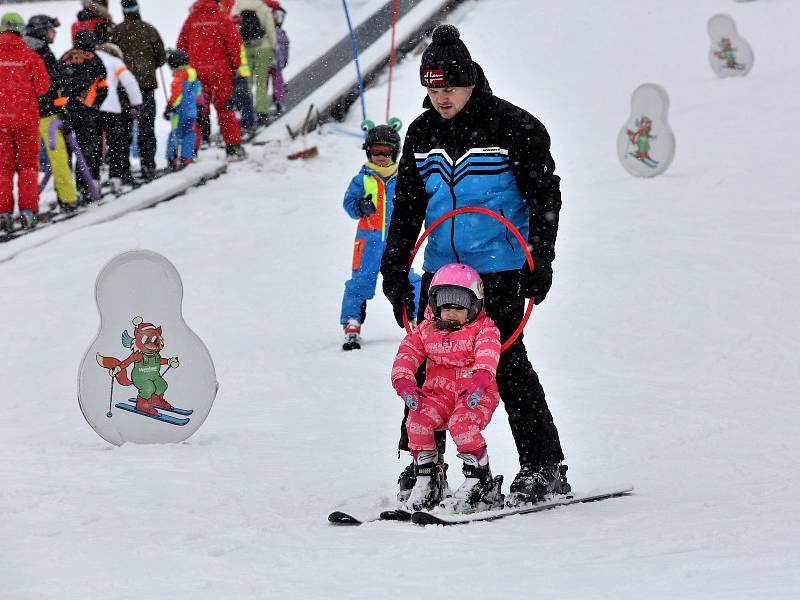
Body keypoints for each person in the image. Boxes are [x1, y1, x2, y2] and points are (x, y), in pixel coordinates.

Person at [380, 24, 569, 506]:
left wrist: (540, 259)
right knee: (429, 367)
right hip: (442, 271)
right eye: (432, 89)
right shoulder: (422, 134)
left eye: (449, 88)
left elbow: (544, 194)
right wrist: (395, 269)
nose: (440, 98)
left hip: (502, 269)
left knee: (504, 364)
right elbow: (406, 208)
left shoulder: (515, 127)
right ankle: (425, 466)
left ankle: (543, 466)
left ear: (471, 81)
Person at [391, 263, 505, 511]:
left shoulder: (483, 329)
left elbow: (488, 353)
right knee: (417, 419)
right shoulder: (426, 330)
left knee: (462, 425)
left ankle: (480, 481)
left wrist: (481, 379)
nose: (452, 312)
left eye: (460, 305)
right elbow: (408, 351)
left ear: (474, 306)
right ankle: (428, 479)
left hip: (474, 396)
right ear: (434, 305)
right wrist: (404, 380)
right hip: (439, 395)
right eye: (446, 305)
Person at [340, 120, 421, 351]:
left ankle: (417, 319)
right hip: (368, 241)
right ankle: (352, 323)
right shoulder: (363, 179)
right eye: (376, 151)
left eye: (386, 152)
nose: (381, 157)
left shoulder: (402, 177)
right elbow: (348, 204)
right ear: (368, 152)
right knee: (360, 282)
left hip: (397, 241)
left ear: (395, 152)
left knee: (409, 278)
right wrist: (359, 207)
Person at [177, 0, 246, 161]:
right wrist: (235, 66)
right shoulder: (223, 18)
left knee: (198, 112)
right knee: (226, 109)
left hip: (197, 73)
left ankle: (190, 152)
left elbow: (181, 45)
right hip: (220, 73)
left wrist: (186, 68)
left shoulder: (191, 20)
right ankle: (233, 147)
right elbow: (234, 45)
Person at [0, 13, 50, 232]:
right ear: (21, 30)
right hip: (27, 120)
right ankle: (28, 212)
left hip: (1, 122)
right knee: (28, 167)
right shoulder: (31, 57)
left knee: (2, 169)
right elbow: (43, 88)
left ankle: (3, 214)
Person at [24, 15, 79, 213]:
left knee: (24, 166)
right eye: (50, 30)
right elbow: (53, 85)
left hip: (21, 115)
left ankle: (25, 207)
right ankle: (67, 198)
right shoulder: (43, 54)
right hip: (46, 115)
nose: (54, 34)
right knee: (59, 158)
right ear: (42, 33)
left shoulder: (19, 52)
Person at [108, 0, 167, 182]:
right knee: (146, 127)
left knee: (123, 129)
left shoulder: (116, 32)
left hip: (123, 86)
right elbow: (161, 57)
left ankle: (122, 170)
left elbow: (110, 55)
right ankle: (148, 164)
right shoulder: (149, 29)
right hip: (146, 85)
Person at [57, 29, 108, 203]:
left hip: (65, 110)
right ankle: (87, 185)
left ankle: (65, 192)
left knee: (65, 152)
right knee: (89, 149)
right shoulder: (94, 59)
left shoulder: (65, 56)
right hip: (87, 109)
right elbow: (103, 85)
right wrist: (96, 104)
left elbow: (55, 81)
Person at [96, 42, 142, 194]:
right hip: (111, 106)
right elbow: (129, 82)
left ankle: (92, 182)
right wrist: (136, 103)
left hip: (90, 107)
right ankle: (116, 177)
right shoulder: (114, 61)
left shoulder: (89, 58)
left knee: (94, 146)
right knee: (117, 143)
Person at [233, 0, 277, 125]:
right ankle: (262, 112)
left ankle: (249, 112)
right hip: (263, 47)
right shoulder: (262, 6)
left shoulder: (236, 6)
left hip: (244, 48)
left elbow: (233, 28)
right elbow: (270, 28)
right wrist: (273, 46)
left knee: (247, 82)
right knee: (261, 81)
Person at [163, 49, 203, 170]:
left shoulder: (180, 76)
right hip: (192, 112)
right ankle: (187, 157)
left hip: (180, 113)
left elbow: (177, 94)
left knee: (175, 134)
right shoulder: (193, 75)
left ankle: (172, 158)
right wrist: (199, 105)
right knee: (189, 134)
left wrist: (170, 106)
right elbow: (199, 93)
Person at [265, 0, 288, 116]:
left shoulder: (264, 30)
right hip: (276, 62)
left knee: (263, 83)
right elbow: (285, 48)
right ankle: (279, 101)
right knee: (278, 82)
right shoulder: (280, 32)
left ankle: (262, 105)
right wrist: (284, 61)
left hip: (264, 60)